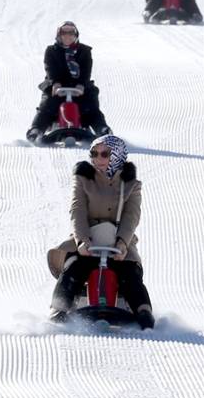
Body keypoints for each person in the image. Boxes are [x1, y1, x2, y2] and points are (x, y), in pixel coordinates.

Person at [47, 135, 154, 329]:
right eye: (94, 154)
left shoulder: (131, 185)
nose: (98, 159)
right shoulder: (83, 179)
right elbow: (77, 210)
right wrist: (82, 241)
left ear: (116, 157)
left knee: (130, 272)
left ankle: (144, 312)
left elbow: (131, 217)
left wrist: (122, 243)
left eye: (104, 154)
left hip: (118, 241)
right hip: (87, 239)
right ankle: (59, 309)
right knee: (74, 266)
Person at [25, 22, 110, 142]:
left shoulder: (84, 51)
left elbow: (86, 69)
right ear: (59, 35)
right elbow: (50, 68)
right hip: (57, 85)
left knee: (90, 106)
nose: (67, 36)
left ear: (76, 35)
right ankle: (36, 129)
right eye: (64, 33)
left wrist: (81, 84)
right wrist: (55, 82)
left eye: (71, 33)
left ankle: (102, 130)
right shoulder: (51, 51)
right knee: (48, 105)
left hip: (79, 85)